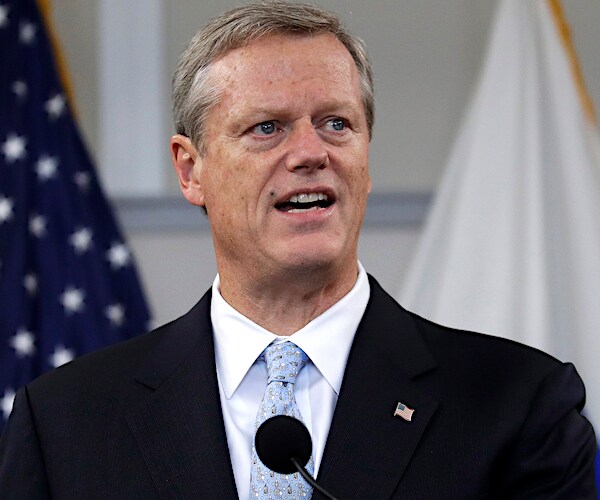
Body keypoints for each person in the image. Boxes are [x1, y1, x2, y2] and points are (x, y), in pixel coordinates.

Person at [0, 1, 597, 498]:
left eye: (336, 123)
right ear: (191, 170)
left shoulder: (519, 407)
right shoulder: (63, 424)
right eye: (268, 128)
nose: (311, 152)